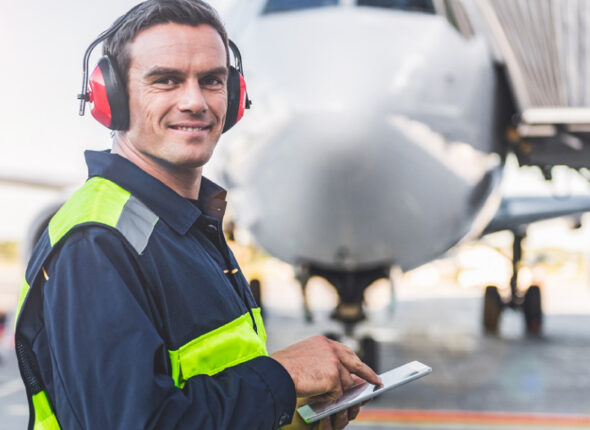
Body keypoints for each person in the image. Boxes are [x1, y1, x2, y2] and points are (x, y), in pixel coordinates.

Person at [14, 1, 380, 429]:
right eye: (165, 80)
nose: (194, 101)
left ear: (235, 95)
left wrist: (292, 419)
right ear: (110, 98)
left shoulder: (182, 228)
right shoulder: (96, 243)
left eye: (211, 81)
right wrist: (283, 376)